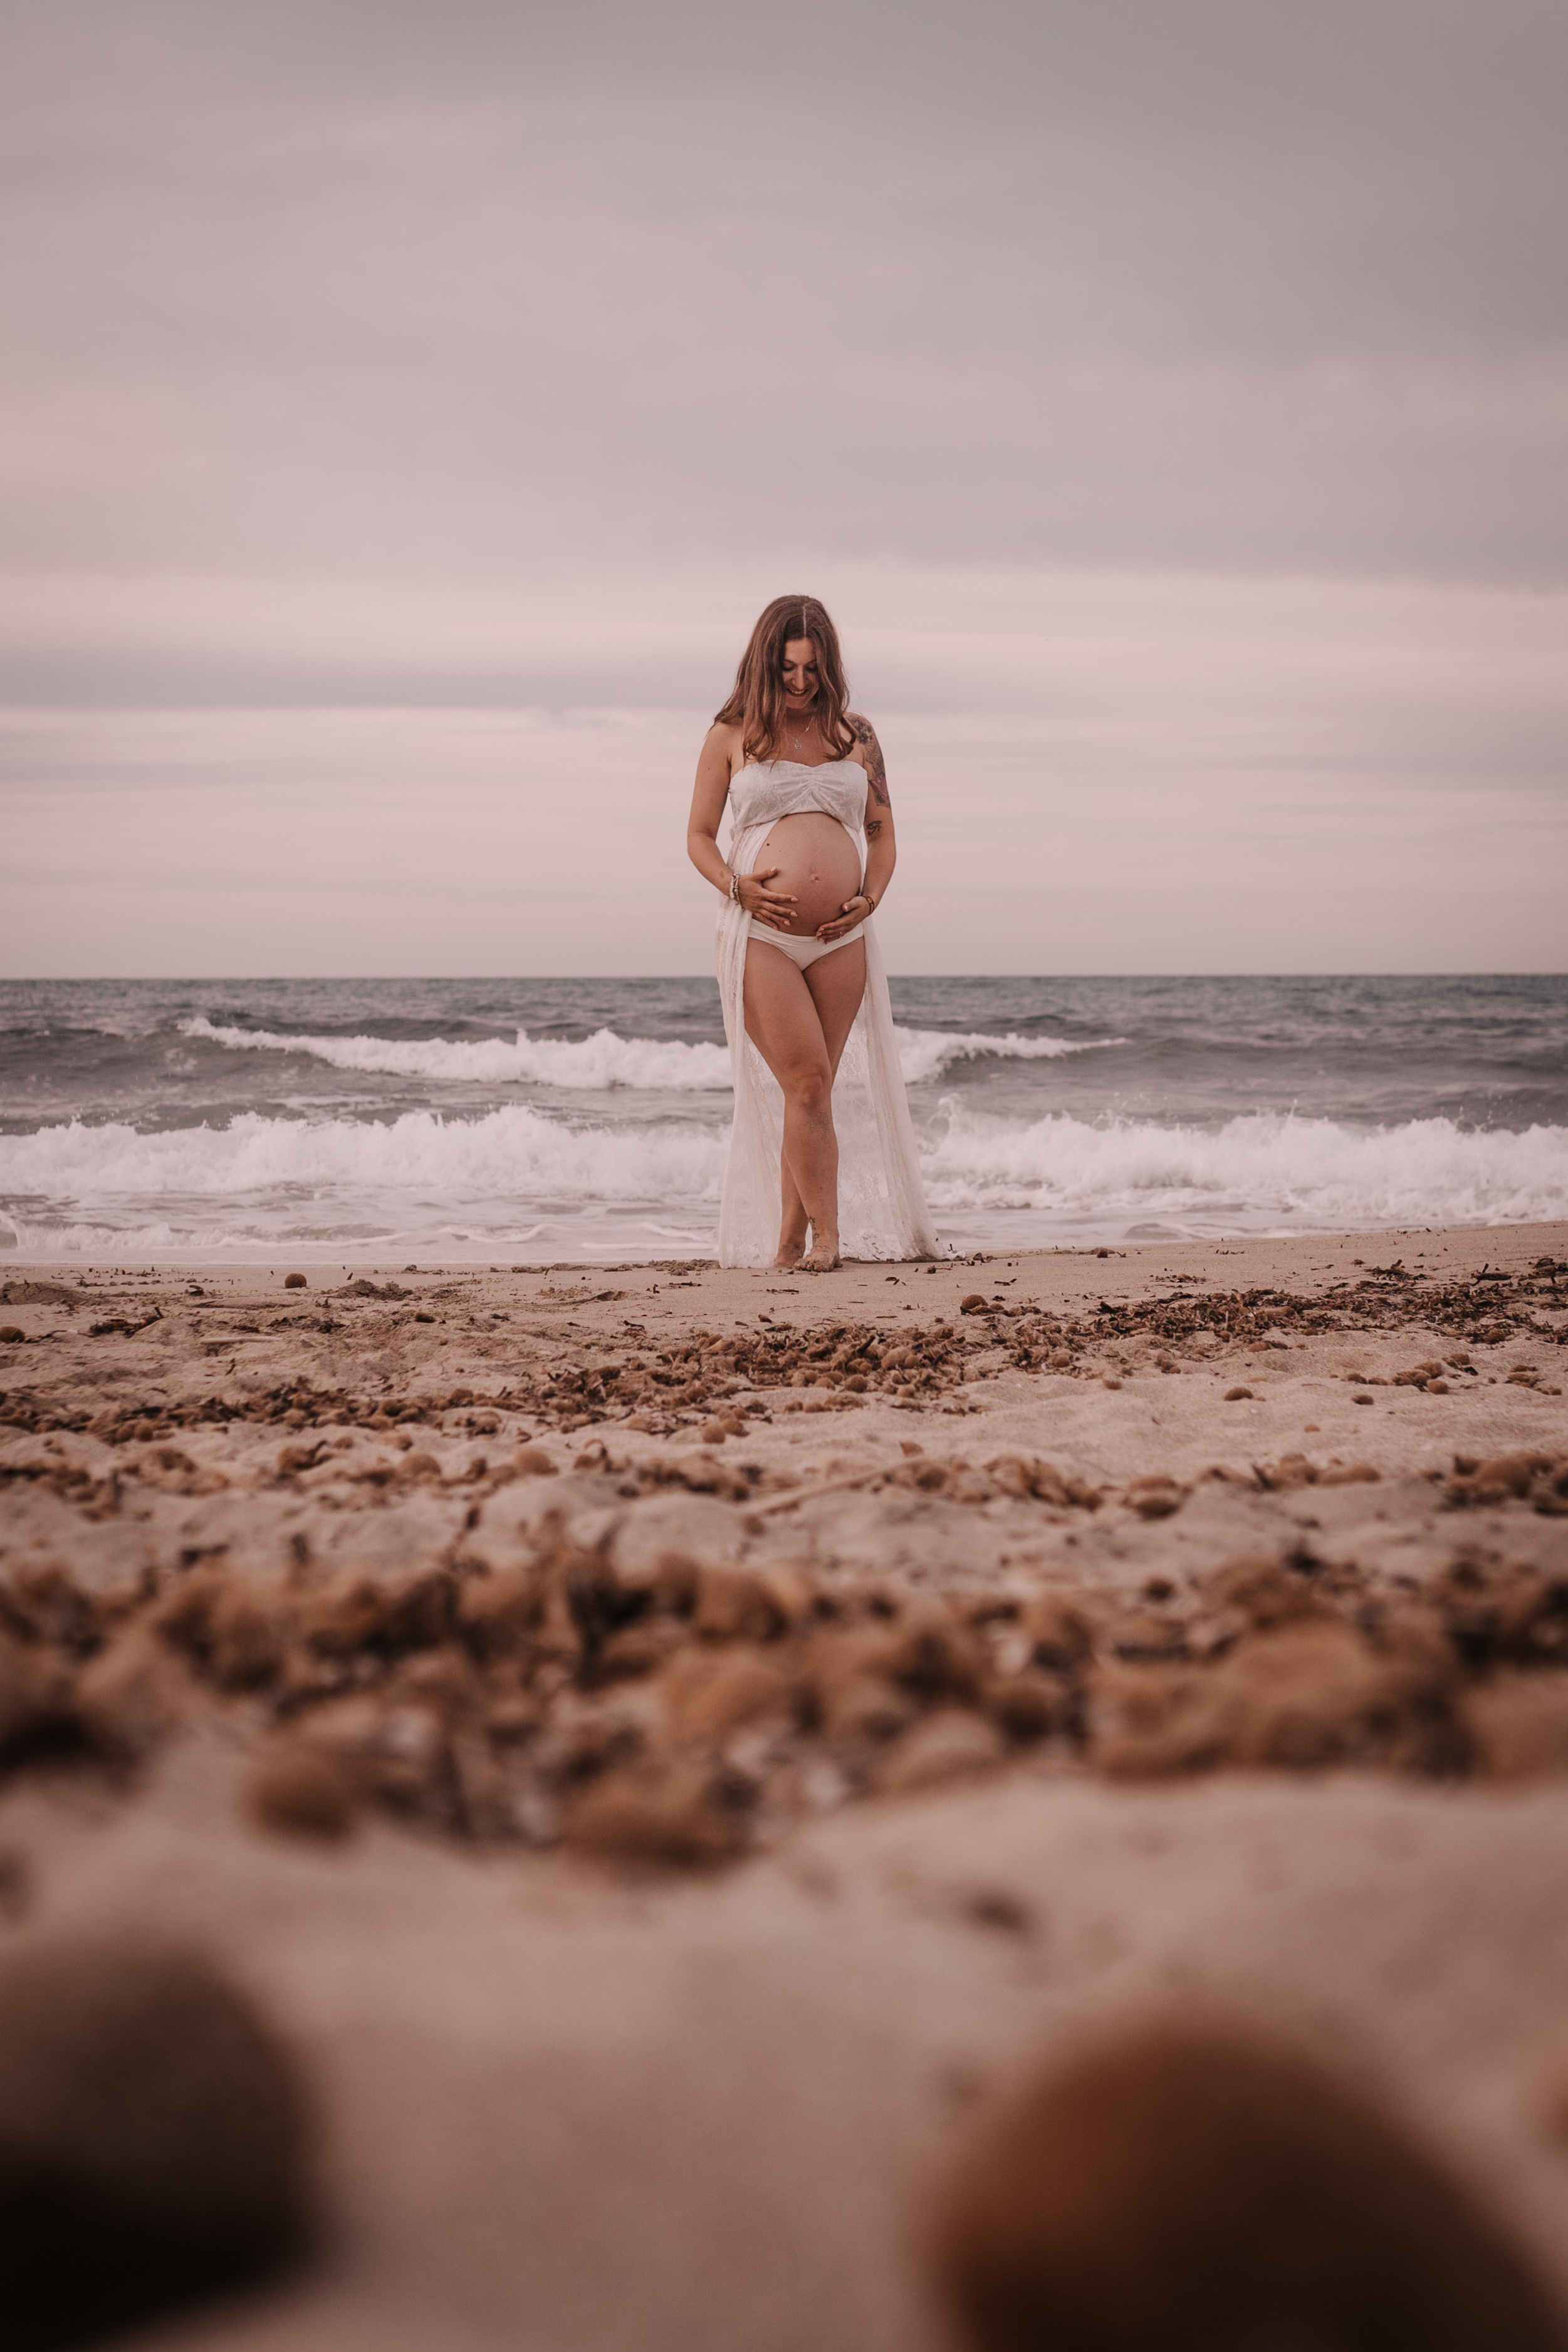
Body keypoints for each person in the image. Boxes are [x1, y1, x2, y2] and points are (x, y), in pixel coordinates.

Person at [687, 593, 940, 1270]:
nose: (800, 683)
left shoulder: (857, 737)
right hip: (761, 933)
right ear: (764, 665)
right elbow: (698, 837)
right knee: (805, 1082)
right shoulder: (731, 735)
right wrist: (737, 886)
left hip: (840, 938)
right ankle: (830, 1239)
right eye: (788, 669)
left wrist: (871, 899)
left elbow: (883, 838)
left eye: (813, 669)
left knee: (815, 1092)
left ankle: (790, 1245)